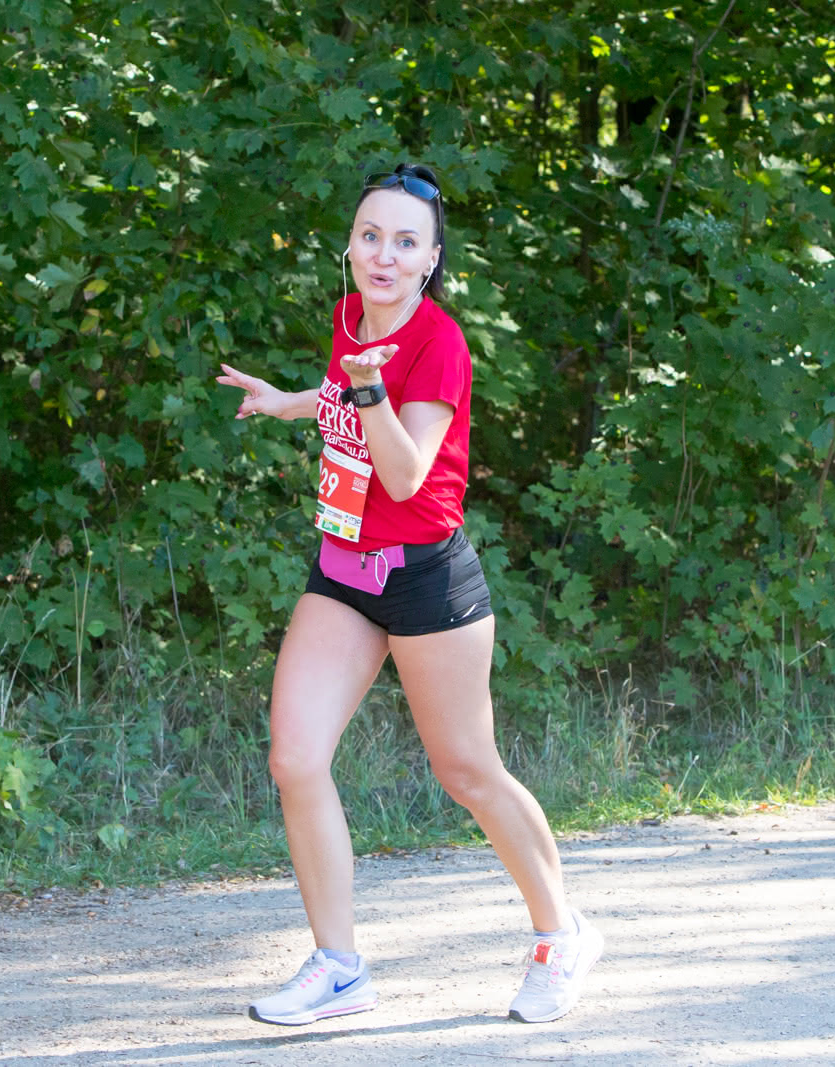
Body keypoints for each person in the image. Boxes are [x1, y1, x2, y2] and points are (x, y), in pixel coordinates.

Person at [214, 163, 601, 1026]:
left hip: (427, 579)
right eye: (370, 236)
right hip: (346, 569)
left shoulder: (441, 342)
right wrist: (291, 402)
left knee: (467, 769)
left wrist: (364, 388)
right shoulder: (354, 317)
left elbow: (403, 464)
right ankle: (340, 966)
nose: (383, 255)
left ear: (431, 259)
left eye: (405, 242)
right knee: (295, 758)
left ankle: (560, 935)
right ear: (350, 245)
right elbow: (353, 399)